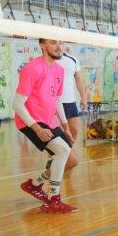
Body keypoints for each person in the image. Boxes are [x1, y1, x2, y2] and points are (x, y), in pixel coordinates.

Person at [14, 39, 79, 213]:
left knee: (72, 160)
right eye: (53, 43)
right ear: (43, 45)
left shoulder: (59, 70)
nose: (59, 47)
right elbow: (17, 104)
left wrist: (65, 127)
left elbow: (57, 100)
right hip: (29, 120)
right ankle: (53, 200)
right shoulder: (32, 68)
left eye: (60, 43)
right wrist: (36, 128)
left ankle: (35, 184)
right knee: (62, 151)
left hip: (49, 121)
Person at [58, 46, 89, 140]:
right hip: (52, 102)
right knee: (55, 133)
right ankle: (57, 149)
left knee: (74, 130)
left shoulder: (72, 60)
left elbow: (79, 81)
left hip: (70, 102)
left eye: (61, 42)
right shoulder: (48, 60)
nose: (59, 45)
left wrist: (84, 98)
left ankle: (68, 149)